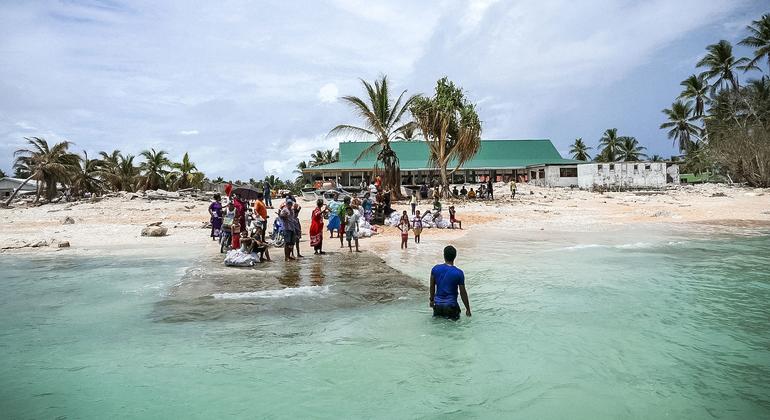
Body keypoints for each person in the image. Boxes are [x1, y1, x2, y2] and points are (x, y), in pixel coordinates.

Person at [430, 245, 471, 320]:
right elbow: (463, 293)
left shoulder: (435, 269)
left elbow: (432, 286)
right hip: (451, 307)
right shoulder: (459, 273)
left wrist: (432, 300)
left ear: (444, 255)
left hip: (438, 306)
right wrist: (468, 309)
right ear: (455, 256)